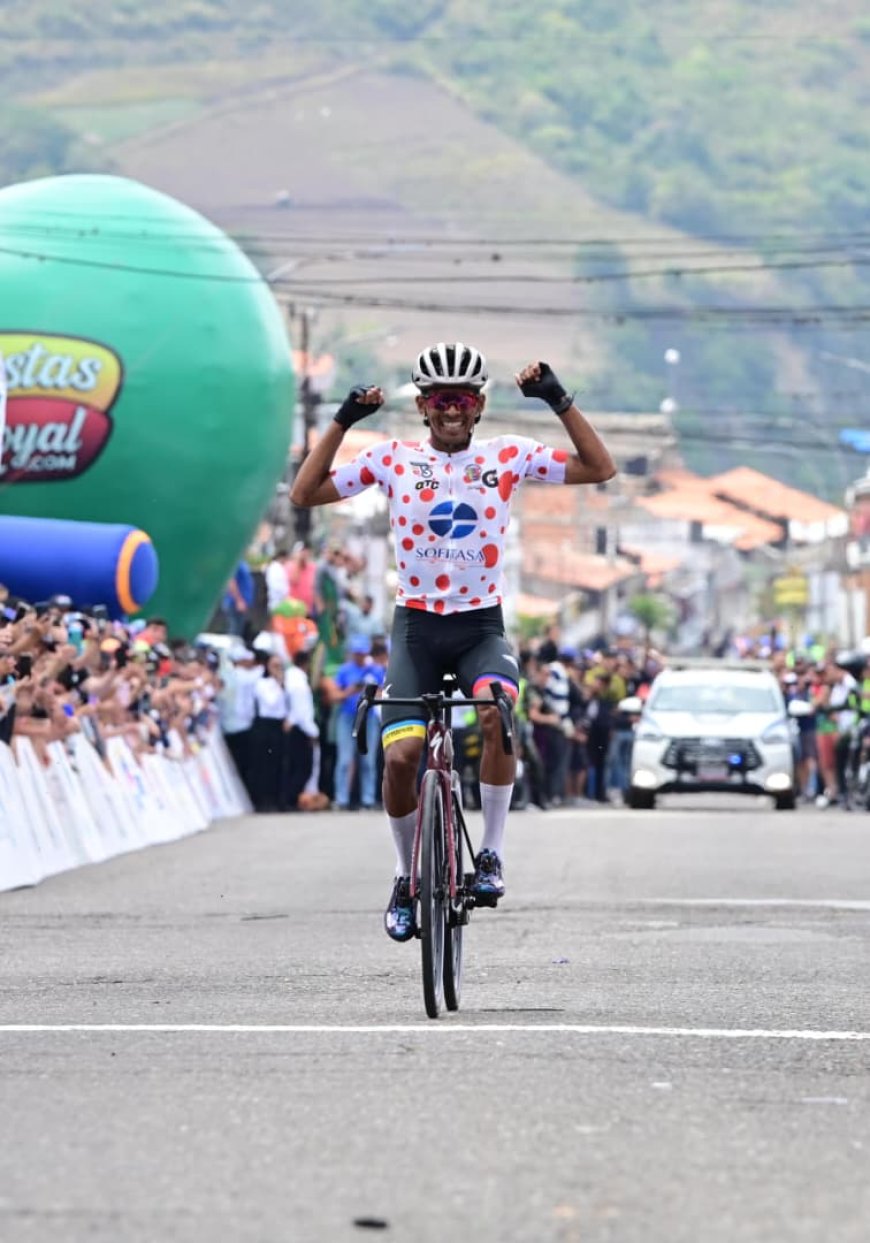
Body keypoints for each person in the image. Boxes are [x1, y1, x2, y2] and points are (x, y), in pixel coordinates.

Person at [290, 342, 616, 941]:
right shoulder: (392, 459)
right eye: (441, 400)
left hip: (478, 629)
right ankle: (403, 875)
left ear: (480, 405)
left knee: (496, 714)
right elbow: (304, 495)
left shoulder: (509, 456)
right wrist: (342, 420)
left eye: (463, 400)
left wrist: (557, 399)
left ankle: (490, 852)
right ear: (422, 406)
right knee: (400, 759)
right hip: (415, 628)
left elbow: (600, 469)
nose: (452, 411)